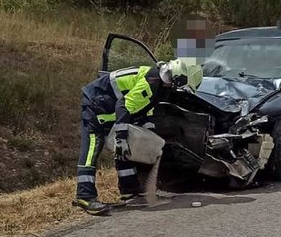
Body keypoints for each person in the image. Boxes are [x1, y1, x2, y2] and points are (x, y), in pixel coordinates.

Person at [73, 58, 203, 215]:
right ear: (177, 77)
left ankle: (130, 189)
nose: (179, 89)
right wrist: (120, 138)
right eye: (181, 85)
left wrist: (147, 127)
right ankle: (85, 196)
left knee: (128, 145)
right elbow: (123, 107)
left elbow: (145, 106)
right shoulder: (151, 82)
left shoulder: (160, 85)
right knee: (92, 149)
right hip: (96, 104)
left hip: (110, 106)